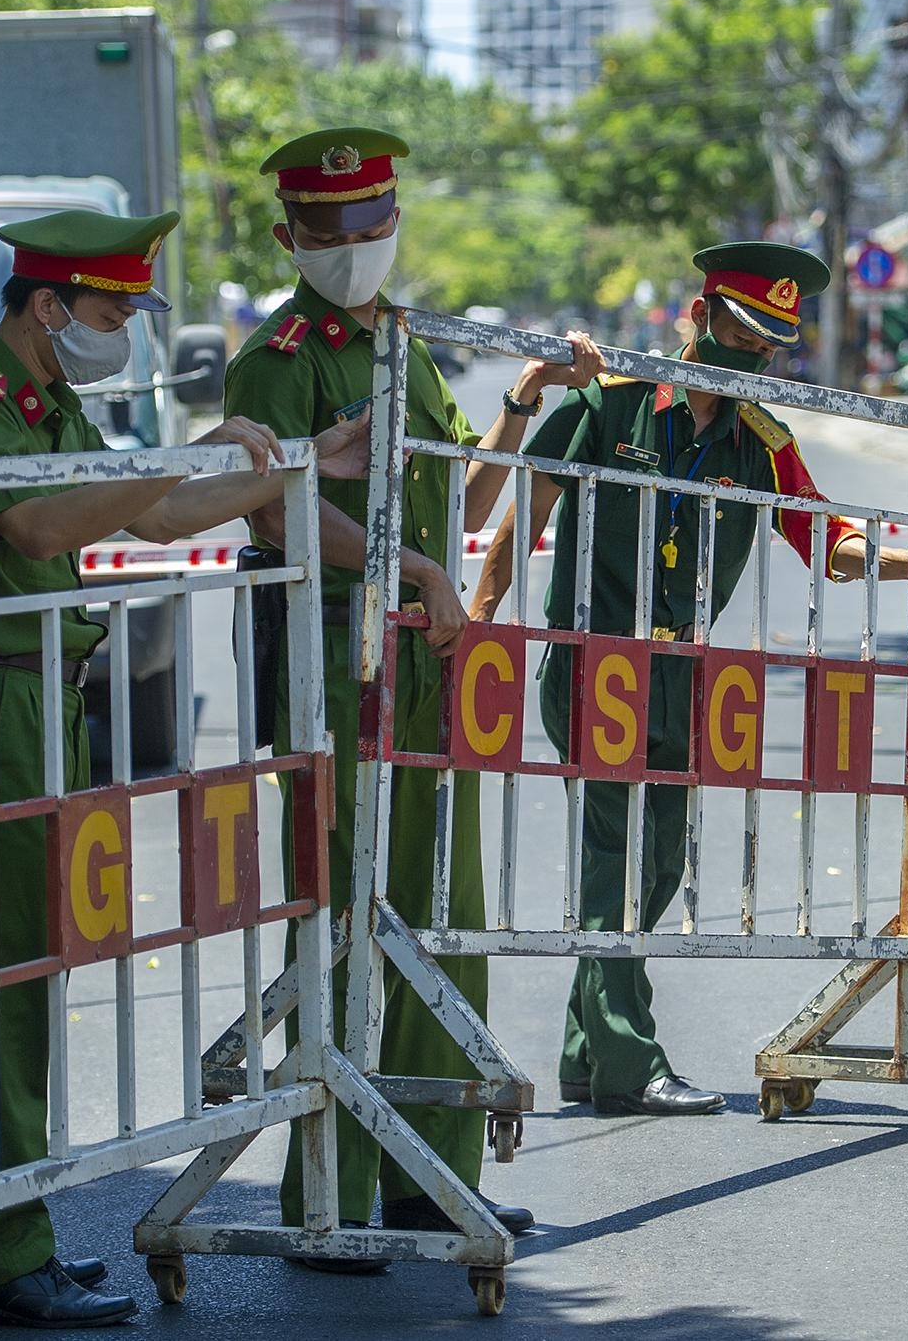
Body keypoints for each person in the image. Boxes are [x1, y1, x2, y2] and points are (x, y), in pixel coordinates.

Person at [0, 208, 371, 1327]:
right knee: (1, 977)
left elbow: (161, 514)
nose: (123, 329)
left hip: (41, 699)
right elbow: (34, 526)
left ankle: (6, 1233)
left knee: (32, 968)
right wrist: (192, 457)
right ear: (47, 306)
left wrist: (285, 467)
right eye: (112, 309)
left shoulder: (48, 403)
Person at [468, 242, 908, 1117]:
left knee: (657, 862)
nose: (754, 359)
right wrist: (478, 624)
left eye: (770, 346)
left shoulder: (762, 439)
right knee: (614, 858)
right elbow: (526, 515)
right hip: (598, 660)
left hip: (687, 674)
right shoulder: (607, 400)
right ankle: (628, 1061)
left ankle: (586, 1048)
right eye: (741, 334)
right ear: (697, 319)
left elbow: (829, 545)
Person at [224, 127, 600, 1269]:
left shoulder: (408, 344)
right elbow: (274, 508)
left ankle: (433, 1177)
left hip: (423, 664)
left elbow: (459, 490)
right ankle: (326, 1188)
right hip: (331, 664)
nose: (355, 247)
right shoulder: (277, 359)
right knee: (346, 915)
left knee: (439, 905)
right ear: (288, 237)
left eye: (372, 224)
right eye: (330, 232)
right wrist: (416, 574)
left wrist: (524, 403)